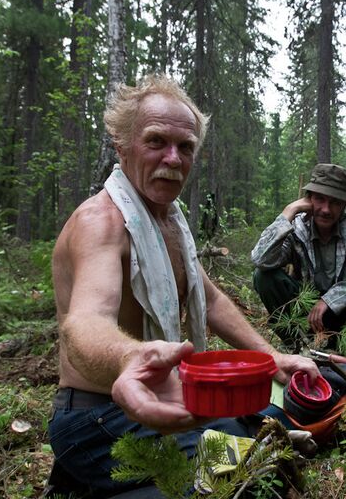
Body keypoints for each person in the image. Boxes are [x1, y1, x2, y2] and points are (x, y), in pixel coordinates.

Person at [47, 74, 319, 497]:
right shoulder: (100, 222)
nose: (173, 159)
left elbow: (207, 298)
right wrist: (130, 357)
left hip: (171, 394)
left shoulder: (169, 219)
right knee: (253, 482)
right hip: (98, 417)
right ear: (121, 145)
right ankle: (87, 480)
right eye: (156, 141)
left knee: (277, 408)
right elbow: (84, 321)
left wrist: (272, 357)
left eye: (185, 147)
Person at [251, 163, 346, 349]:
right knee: (264, 276)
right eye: (319, 199)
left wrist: (330, 299)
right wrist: (288, 212)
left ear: (344, 204)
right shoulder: (297, 226)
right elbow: (260, 259)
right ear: (308, 199)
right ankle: (298, 345)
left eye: (335, 202)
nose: (326, 209)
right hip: (305, 313)